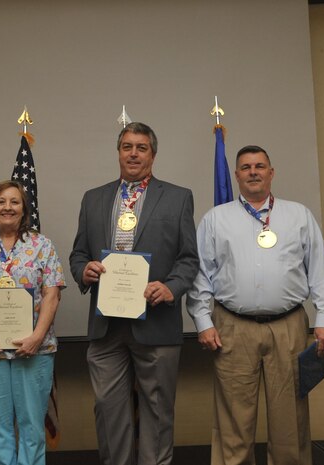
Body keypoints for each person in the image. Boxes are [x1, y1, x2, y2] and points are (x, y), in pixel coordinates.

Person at [186, 145, 324, 465]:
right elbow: (201, 274)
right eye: (246, 167)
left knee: (290, 420)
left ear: (271, 172)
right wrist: (203, 320)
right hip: (231, 327)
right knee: (233, 421)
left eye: (259, 166)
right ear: (237, 175)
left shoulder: (298, 215)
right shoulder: (216, 219)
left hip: (289, 326)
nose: (253, 172)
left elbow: (320, 271)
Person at [69, 122, 199, 465]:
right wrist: (84, 270)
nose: (133, 153)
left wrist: (170, 288)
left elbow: (189, 259)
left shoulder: (178, 197)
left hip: (156, 323)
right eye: (127, 146)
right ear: (118, 152)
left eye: (141, 147)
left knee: (157, 412)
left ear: (153, 154)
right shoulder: (93, 198)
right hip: (106, 326)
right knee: (108, 411)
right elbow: (78, 254)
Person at [0, 180, 65, 465]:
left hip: (34, 350)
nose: (8, 207)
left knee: (32, 427)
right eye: (1, 201)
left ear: (24, 209)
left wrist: (36, 337)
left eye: (14, 202)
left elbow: (52, 295)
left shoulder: (42, 245)